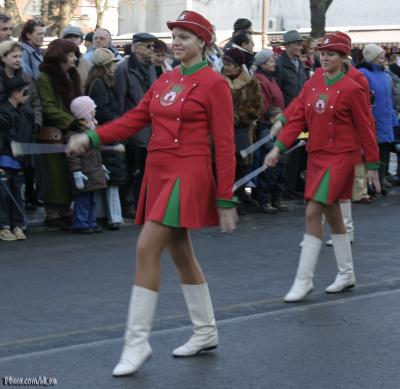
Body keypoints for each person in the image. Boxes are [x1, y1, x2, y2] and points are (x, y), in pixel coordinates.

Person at [66, 9, 238, 376]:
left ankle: (136, 342)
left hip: (188, 172)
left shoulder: (215, 84)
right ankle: (206, 332)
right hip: (158, 172)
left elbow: (224, 145)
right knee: (181, 254)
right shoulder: (165, 80)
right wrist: (92, 137)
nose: (176, 42)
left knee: (147, 246)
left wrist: (226, 199)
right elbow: (134, 120)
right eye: (174, 36)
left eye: (185, 37)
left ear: (203, 43)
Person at [264, 32, 380, 302]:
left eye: (331, 54)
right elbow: (298, 116)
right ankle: (347, 273)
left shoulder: (353, 87)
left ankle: (303, 281)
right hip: (317, 155)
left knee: (313, 211)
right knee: (333, 214)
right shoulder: (314, 81)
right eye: (322, 53)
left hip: (341, 156)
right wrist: (278, 147)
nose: (325, 58)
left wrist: (372, 163)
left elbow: (366, 127)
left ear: (343, 57)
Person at [36, 39, 81, 229]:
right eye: (71, 55)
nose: (74, 59)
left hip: (70, 130)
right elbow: (47, 106)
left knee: (68, 171)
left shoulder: (72, 75)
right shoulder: (45, 77)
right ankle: (53, 213)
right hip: (53, 132)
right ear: (60, 56)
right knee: (54, 175)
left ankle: (65, 210)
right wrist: (70, 120)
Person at [113, 32, 158, 219]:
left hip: (151, 127)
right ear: (136, 47)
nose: (152, 50)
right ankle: (127, 203)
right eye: (148, 46)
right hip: (133, 127)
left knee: (145, 168)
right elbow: (120, 100)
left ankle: (142, 202)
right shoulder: (123, 69)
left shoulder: (151, 68)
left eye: (153, 46)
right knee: (132, 169)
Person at [86, 48, 127, 230]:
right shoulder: (100, 84)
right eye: (112, 63)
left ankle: (103, 215)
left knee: (107, 176)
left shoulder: (96, 81)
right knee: (111, 176)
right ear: (105, 65)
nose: (114, 67)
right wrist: (118, 121)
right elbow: (102, 110)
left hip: (104, 132)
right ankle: (113, 217)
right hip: (107, 133)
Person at [0, 41, 43, 210]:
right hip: (4, 132)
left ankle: (17, 221)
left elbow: (35, 103)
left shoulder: (25, 77)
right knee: (6, 181)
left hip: (24, 130)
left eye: (20, 56)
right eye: (14, 56)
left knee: (19, 179)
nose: (18, 60)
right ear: (3, 58)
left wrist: (36, 123)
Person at [222, 47, 262, 214]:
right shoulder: (218, 80)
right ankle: (224, 198)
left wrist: (237, 117)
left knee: (240, 166)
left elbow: (255, 107)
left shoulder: (251, 83)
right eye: (224, 63)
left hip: (242, 131)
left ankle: (239, 198)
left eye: (229, 64)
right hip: (221, 130)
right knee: (223, 165)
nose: (225, 66)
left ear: (238, 66)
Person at [356, 44, 398, 194]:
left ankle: (382, 177)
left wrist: (393, 118)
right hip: (373, 118)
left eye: (383, 56)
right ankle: (371, 182)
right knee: (373, 150)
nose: (383, 59)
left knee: (385, 149)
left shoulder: (385, 75)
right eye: (380, 56)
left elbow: (390, 99)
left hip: (386, 118)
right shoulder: (363, 74)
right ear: (372, 58)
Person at [67, 96, 107, 233]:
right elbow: (73, 155)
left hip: (93, 170)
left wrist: (101, 166)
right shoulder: (75, 133)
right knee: (83, 198)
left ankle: (91, 221)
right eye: (92, 110)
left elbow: (96, 151)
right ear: (85, 114)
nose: (95, 112)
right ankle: (80, 222)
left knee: (91, 199)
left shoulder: (91, 129)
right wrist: (76, 172)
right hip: (84, 172)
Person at [276, 30, 308, 200]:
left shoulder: (299, 64)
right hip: (288, 116)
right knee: (289, 152)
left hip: (301, 117)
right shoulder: (280, 65)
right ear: (287, 46)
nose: (300, 47)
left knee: (300, 150)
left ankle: (295, 184)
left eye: (300, 43)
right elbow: (278, 91)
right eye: (297, 44)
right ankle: (286, 188)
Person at [0, 76, 32, 241]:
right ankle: (4, 226)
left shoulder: (24, 111)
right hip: (4, 158)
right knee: (4, 195)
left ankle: (18, 225)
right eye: (25, 92)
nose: (28, 95)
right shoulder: (3, 112)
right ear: (15, 94)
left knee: (18, 192)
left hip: (19, 159)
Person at [257, 106, 288, 213]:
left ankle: (277, 201)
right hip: (269, 163)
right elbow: (266, 144)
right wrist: (279, 146)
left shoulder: (283, 131)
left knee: (280, 181)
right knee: (266, 182)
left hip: (281, 161)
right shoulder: (266, 130)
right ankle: (265, 202)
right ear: (272, 119)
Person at [61, 26, 92, 93]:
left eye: (76, 36)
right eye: (69, 36)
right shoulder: (57, 61)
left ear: (81, 41)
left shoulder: (87, 62)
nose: (73, 38)